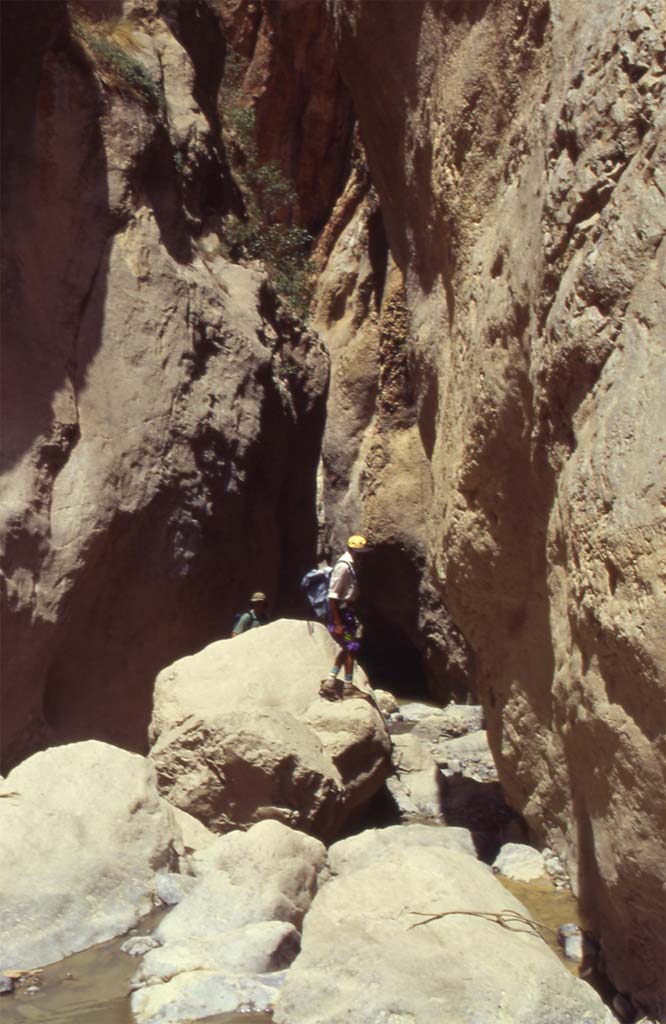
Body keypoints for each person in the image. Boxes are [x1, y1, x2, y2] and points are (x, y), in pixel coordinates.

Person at [320, 535, 367, 700]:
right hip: (342, 614)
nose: (361, 555)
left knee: (347, 647)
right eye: (359, 552)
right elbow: (332, 596)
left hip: (347, 613)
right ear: (351, 549)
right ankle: (347, 687)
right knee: (350, 646)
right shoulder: (344, 567)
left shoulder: (350, 565)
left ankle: (330, 682)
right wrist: (338, 622)